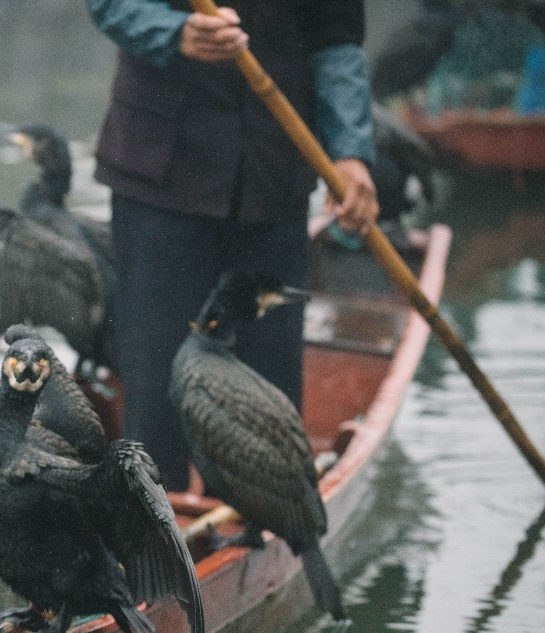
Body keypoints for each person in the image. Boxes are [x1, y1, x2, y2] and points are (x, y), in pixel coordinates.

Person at [86, 0, 379, 492]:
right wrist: (173, 32)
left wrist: (349, 150)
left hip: (275, 174)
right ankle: (160, 538)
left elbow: (337, 40)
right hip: (159, 173)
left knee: (268, 397)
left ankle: (262, 532)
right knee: (158, 388)